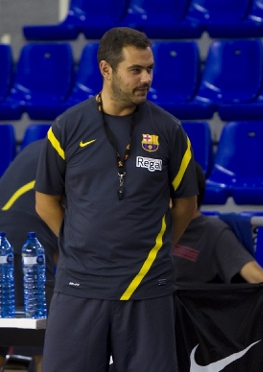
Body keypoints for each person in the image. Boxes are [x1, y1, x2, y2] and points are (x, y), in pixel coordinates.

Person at [34, 27, 197, 372]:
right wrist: (78, 241)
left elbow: (186, 205)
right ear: (106, 70)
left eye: (150, 69)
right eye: (135, 70)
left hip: (147, 287)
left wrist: (156, 249)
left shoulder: (169, 130)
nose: (146, 78)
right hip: (80, 285)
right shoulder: (67, 127)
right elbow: (45, 200)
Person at [173, 162, 263, 324]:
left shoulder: (213, 233)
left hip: (190, 321)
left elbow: (257, 276)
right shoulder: (158, 230)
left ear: (193, 197)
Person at [0, 139, 57, 372]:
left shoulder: (37, 149)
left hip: (9, 246)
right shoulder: (74, 159)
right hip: (22, 252)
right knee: (49, 346)